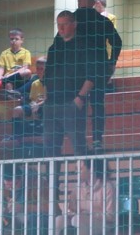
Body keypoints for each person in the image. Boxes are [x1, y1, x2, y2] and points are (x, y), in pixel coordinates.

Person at [43, 10, 103, 157]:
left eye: (64, 24)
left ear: (74, 24)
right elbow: (47, 75)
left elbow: (92, 75)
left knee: (79, 145)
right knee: (50, 148)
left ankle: (85, 171)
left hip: (72, 102)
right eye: (59, 25)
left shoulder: (85, 46)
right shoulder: (53, 49)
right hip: (51, 104)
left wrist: (80, 98)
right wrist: (46, 99)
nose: (61, 28)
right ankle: (53, 174)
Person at [70, 0, 122, 151]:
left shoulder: (71, 21)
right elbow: (117, 42)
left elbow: (60, 45)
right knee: (97, 104)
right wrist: (111, 62)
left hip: (77, 70)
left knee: (79, 103)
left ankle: (80, 140)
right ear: (93, 3)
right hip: (99, 68)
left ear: (78, 2)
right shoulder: (102, 21)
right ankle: (97, 140)